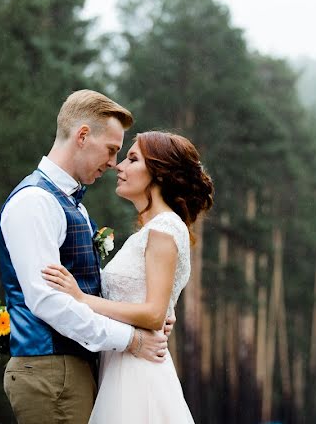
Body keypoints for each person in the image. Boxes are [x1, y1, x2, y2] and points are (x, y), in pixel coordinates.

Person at [0, 90, 174, 424]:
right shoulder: (35, 202)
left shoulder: (71, 202)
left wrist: (144, 312)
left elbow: (86, 291)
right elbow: (47, 300)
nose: (113, 163)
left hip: (70, 369)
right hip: (52, 370)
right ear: (82, 136)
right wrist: (132, 340)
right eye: (111, 150)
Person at [42, 130, 214, 423]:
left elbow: (153, 314)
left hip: (137, 372)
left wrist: (82, 299)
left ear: (159, 173)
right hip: (121, 363)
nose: (119, 167)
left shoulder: (164, 229)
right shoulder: (154, 230)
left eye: (132, 159)